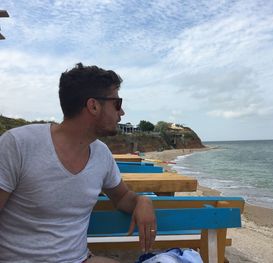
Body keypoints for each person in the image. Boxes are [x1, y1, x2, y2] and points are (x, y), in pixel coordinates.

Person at [0, 63, 156, 263]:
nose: (122, 112)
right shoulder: (19, 144)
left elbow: (122, 197)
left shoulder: (101, 154)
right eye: (117, 103)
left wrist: (143, 201)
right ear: (93, 106)